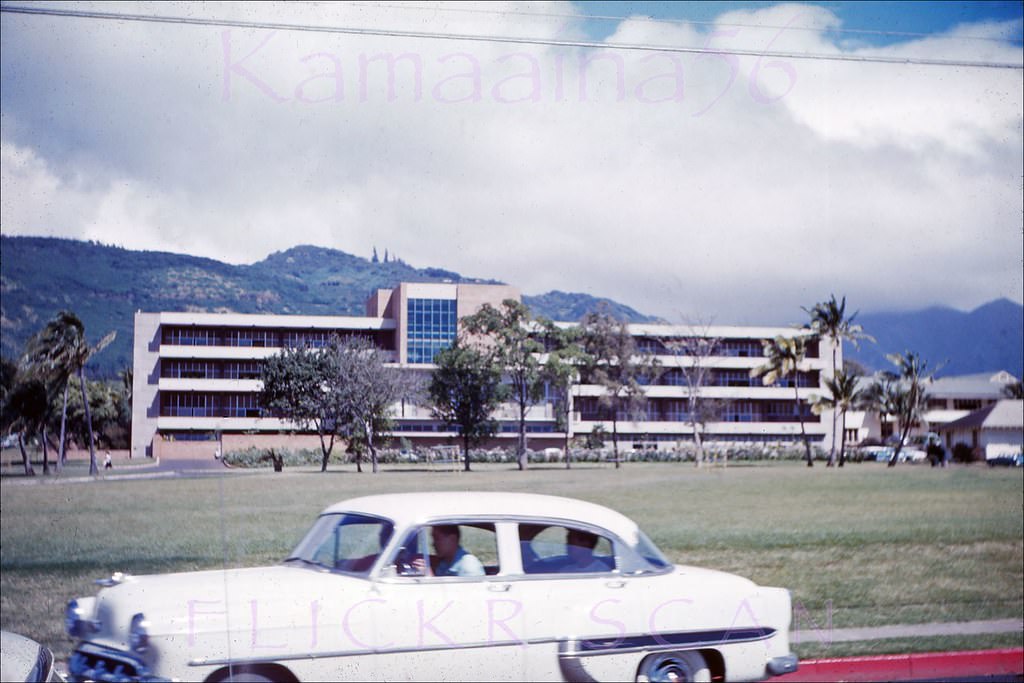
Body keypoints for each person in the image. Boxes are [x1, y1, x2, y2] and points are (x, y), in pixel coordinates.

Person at [413, 525, 484, 577]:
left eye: (437, 539)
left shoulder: (468, 566)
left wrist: (429, 575)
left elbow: (468, 596)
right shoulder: (445, 563)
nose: (433, 544)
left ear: (452, 539)